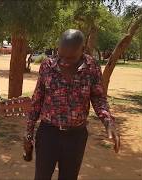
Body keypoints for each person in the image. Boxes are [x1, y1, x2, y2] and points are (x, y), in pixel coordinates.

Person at [23, 29, 120, 180]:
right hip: (48, 133)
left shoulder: (92, 67)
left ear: (83, 50)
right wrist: (28, 133)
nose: (65, 61)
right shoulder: (47, 66)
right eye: (62, 55)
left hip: (76, 136)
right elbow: (37, 100)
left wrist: (108, 121)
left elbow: (99, 98)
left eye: (71, 57)